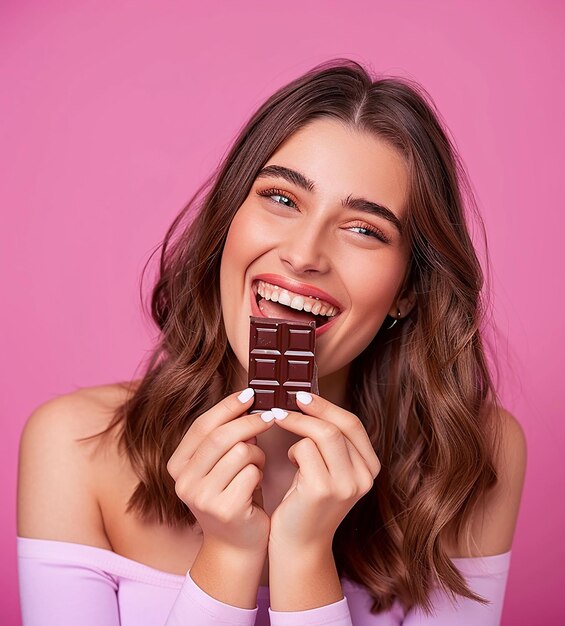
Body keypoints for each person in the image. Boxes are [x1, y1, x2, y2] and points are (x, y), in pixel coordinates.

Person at [16, 58, 527, 625]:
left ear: (408, 289)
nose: (305, 254)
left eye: (364, 229)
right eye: (282, 199)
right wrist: (229, 556)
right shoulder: (75, 449)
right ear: (228, 221)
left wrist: (304, 558)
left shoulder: (469, 462)